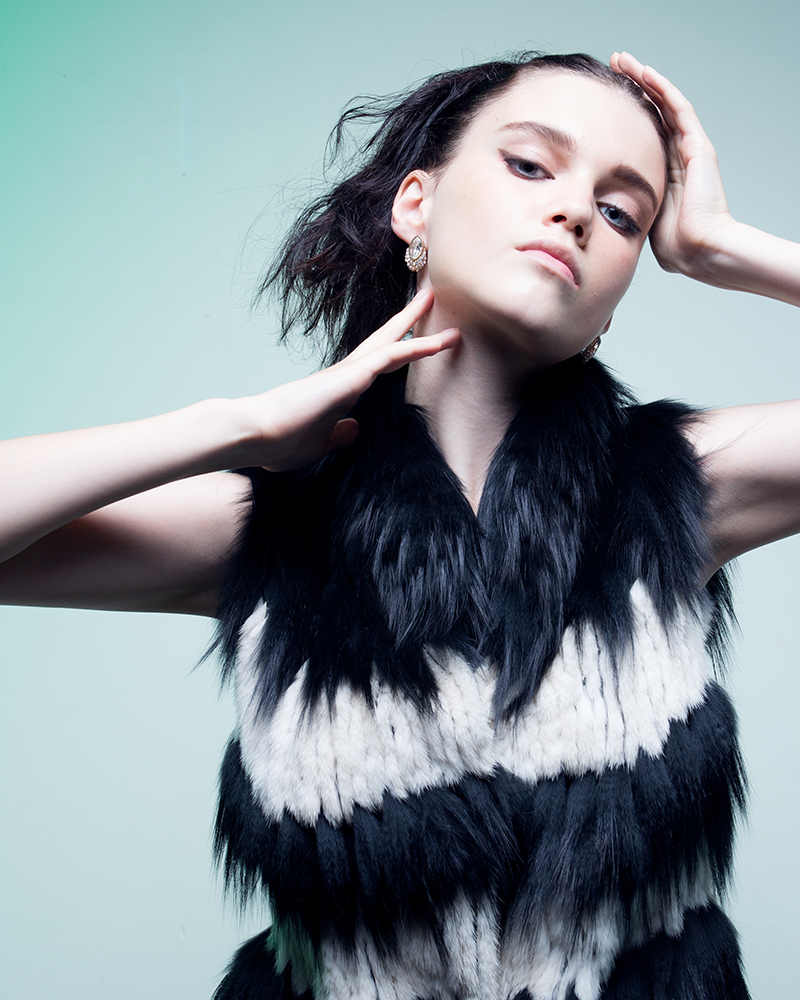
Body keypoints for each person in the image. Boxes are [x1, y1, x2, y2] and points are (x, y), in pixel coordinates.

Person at [1, 49, 799, 999]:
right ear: (416, 206)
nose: (576, 212)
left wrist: (727, 249)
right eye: (531, 165)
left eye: (623, 212)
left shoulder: (681, 487)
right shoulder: (274, 520)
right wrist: (233, 427)